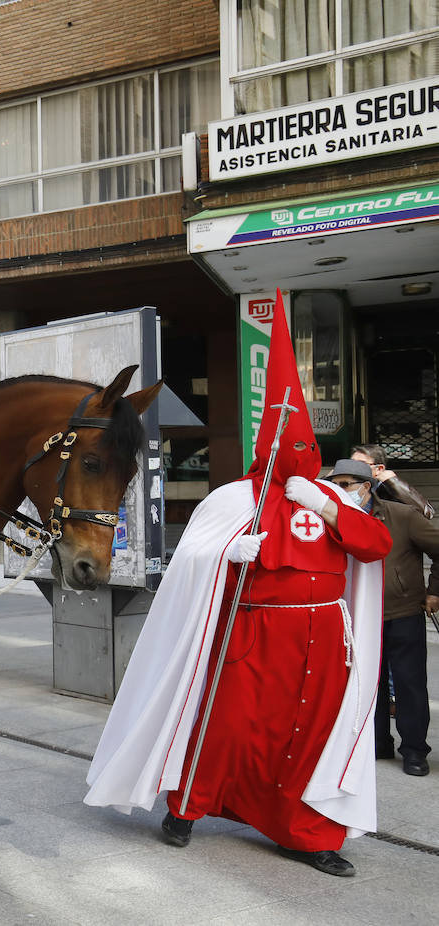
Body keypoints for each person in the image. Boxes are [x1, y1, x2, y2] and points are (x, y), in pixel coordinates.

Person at [85, 296, 390, 878]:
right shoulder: (232, 497)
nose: (296, 455)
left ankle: (304, 832)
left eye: (305, 446)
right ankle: (188, 807)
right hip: (252, 631)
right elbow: (191, 559)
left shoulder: (331, 497)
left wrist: (328, 510)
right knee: (227, 727)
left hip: (322, 637)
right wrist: (228, 549)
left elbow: (373, 546)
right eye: (286, 444)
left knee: (309, 733)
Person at [329, 458, 439, 778]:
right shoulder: (333, 518)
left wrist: (434, 592)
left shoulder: (402, 516)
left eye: (345, 485)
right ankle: (377, 743)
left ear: (366, 487)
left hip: (402, 611)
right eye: (335, 485)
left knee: (409, 684)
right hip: (357, 614)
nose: (339, 491)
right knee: (366, 683)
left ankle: (415, 750)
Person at [351, 443, 434, 519]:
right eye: (351, 463)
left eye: (361, 464)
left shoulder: (388, 491)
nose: (354, 468)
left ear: (379, 469)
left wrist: (393, 482)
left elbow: (427, 512)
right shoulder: (344, 487)